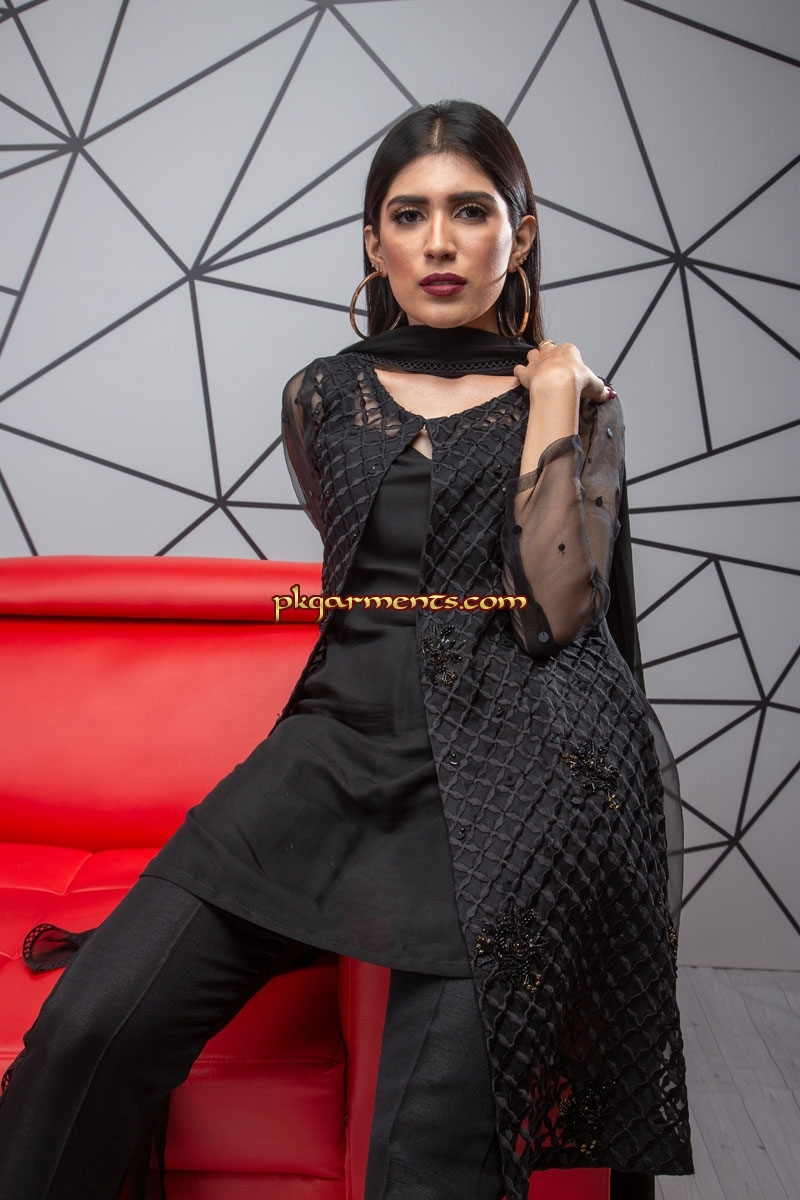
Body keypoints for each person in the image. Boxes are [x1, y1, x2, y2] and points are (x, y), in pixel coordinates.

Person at [0, 100, 693, 1200]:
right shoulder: (322, 393)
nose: (438, 241)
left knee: (427, 1159)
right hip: (336, 756)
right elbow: (361, 582)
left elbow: (554, 610)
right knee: (92, 1027)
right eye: (407, 215)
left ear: (519, 235)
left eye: (470, 211)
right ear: (373, 243)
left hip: (509, 776)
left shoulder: (576, 406)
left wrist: (554, 401)